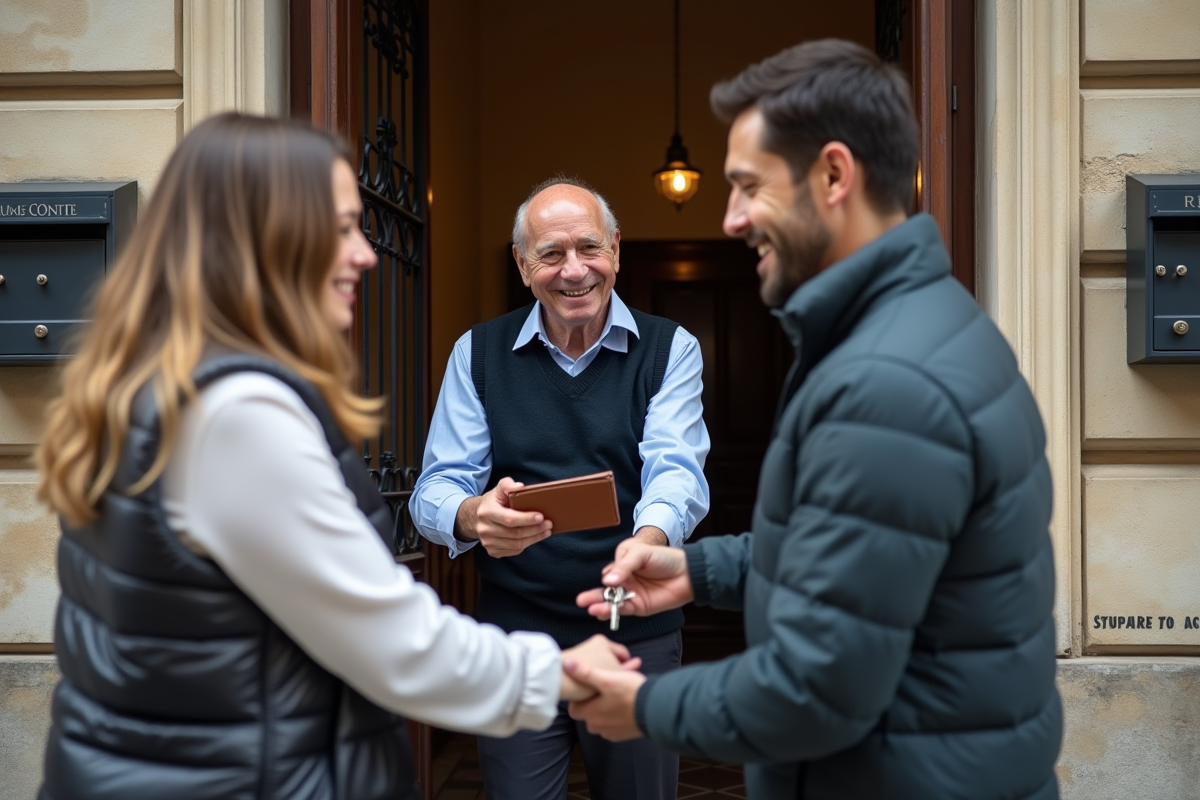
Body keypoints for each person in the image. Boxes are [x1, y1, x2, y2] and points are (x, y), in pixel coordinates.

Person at [33, 113, 637, 800]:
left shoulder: (154, 381)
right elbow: (392, 640)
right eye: (341, 227)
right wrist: (559, 673)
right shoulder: (238, 416)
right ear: (264, 237)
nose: (365, 254)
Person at [564, 39, 1063, 800]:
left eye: (747, 187)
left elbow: (818, 691)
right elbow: (858, 551)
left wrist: (646, 706)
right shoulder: (920, 323)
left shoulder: (885, 380)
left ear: (834, 175)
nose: (729, 219)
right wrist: (700, 571)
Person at [411, 176, 710, 800]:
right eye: (551, 254)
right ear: (523, 266)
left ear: (617, 251)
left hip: (635, 629)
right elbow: (434, 488)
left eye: (589, 249)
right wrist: (472, 516)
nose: (575, 271)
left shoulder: (669, 348)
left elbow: (675, 470)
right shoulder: (479, 354)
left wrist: (645, 542)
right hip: (516, 638)